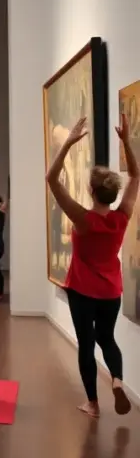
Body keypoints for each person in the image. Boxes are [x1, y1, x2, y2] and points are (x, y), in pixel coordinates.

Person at [46, 114, 136, 417]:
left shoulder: (84, 219)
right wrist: (125, 142)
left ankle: (93, 404)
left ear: (91, 191)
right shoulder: (121, 217)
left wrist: (68, 143)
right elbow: (136, 178)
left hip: (83, 291)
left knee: (86, 344)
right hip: (111, 291)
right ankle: (119, 382)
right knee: (107, 338)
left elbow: (51, 178)